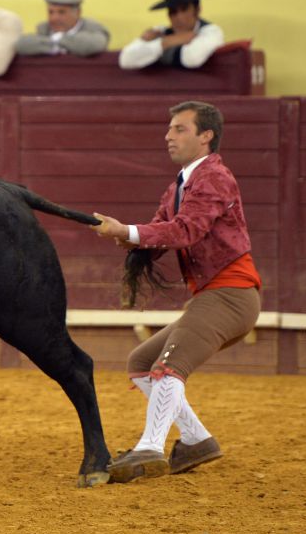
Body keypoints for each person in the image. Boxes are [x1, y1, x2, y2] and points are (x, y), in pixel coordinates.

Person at [92, 101, 260, 483]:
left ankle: (150, 447)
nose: (168, 136)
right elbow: (160, 231)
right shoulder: (181, 185)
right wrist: (126, 236)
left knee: (167, 368)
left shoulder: (214, 177)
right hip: (214, 296)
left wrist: (127, 232)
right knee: (142, 361)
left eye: (180, 129)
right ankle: (196, 439)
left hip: (231, 294)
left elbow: (186, 231)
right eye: (169, 129)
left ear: (206, 136)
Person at [119, 0, 224, 71]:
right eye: (173, 12)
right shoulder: (160, 31)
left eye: (184, 9)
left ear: (197, 10)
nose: (179, 17)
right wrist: (166, 43)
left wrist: (155, 51)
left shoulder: (211, 31)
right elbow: (126, 59)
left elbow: (192, 58)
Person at [15, 0, 110, 57]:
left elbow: (92, 45)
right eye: (50, 12)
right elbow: (21, 44)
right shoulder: (44, 28)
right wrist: (59, 45)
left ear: (77, 12)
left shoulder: (93, 28)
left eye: (61, 12)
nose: (54, 18)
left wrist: (57, 39)